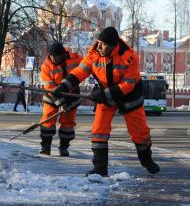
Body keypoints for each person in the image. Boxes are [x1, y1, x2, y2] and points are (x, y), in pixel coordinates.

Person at [55, 27, 160, 176]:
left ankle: (146, 160)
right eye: (98, 42)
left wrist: (103, 94)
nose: (99, 46)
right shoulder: (94, 54)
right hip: (106, 94)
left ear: (113, 45)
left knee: (140, 133)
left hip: (130, 97)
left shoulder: (129, 56)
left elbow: (127, 86)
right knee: (99, 131)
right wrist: (64, 85)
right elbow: (80, 72)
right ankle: (100, 169)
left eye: (103, 44)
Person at [40, 42, 83, 156]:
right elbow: (50, 87)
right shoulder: (46, 66)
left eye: (58, 56)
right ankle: (46, 146)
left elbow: (87, 67)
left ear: (63, 54)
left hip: (71, 95)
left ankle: (64, 147)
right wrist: (61, 103)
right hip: (52, 95)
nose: (55, 59)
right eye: (53, 56)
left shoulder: (75, 59)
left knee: (68, 124)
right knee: (47, 120)